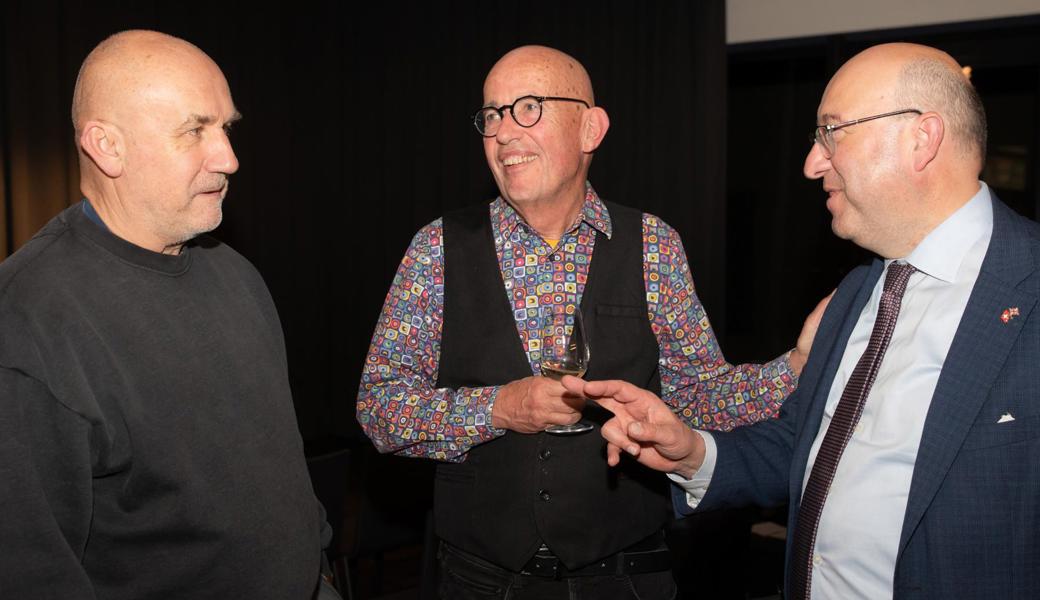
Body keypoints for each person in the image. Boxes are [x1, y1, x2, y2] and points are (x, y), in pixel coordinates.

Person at [569, 42, 1040, 600]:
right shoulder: (857, 291)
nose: (812, 163)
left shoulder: (1027, 287)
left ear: (922, 137)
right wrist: (693, 452)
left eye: (831, 132)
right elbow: (808, 445)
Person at [357, 45, 822, 599]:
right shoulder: (438, 247)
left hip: (624, 577)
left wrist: (795, 366)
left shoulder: (652, 245)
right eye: (492, 115)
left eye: (528, 108)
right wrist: (501, 407)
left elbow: (697, 398)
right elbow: (379, 409)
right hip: (478, 580)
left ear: (590, 129)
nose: (504, 133)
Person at [0, 31, 333, 599]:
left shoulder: (235, 272)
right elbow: (31, 571)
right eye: (194, 130)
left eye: (226, 128)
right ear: (107, 146)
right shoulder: (27, 322)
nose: (229, 158)